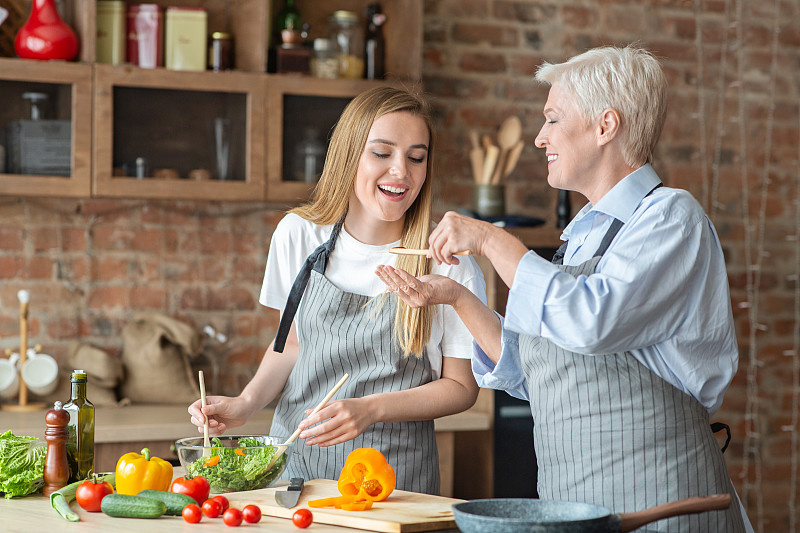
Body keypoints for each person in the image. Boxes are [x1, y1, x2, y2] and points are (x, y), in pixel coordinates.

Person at [376, 46, 752, 531]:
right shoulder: (584, 234)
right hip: (575, 507)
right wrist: (455, 298)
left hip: (661, 502)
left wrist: (491, 239)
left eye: (553, 119)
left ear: (605, 126)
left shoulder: (670, 218)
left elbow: (591, 320)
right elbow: (538, 374)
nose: (539, 137)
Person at [188, 86, 486, 495]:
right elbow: (291, 346)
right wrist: (244, 403)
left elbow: (461, 387)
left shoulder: (447, 262)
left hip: (393, 481)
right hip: (297, 470)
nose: (401, 170)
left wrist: (371, 409)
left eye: (416, 157)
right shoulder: (298, 235)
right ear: (348, 155)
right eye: (382, 153)